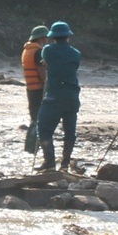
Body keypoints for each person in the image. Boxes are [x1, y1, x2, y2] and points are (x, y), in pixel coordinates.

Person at [36, 21, 82, 173]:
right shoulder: (76, 53)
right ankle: (65, 164)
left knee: (43, 127)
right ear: (67, 37)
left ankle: (49, 162)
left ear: (53, 38)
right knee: (70, 131)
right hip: (72, 96)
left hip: (54, 96)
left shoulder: (48, 50)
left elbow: (46, 60)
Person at [20, 25, 47, 154]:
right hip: (38, 88)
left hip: (30, 88)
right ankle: (33, 147)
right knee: (39, 119)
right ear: (41, 38)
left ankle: (30, 148)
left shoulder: (27, 49)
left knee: (33, 118)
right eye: (45, 37)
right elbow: (41, 70)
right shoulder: (38, 51)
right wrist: (46, 83)